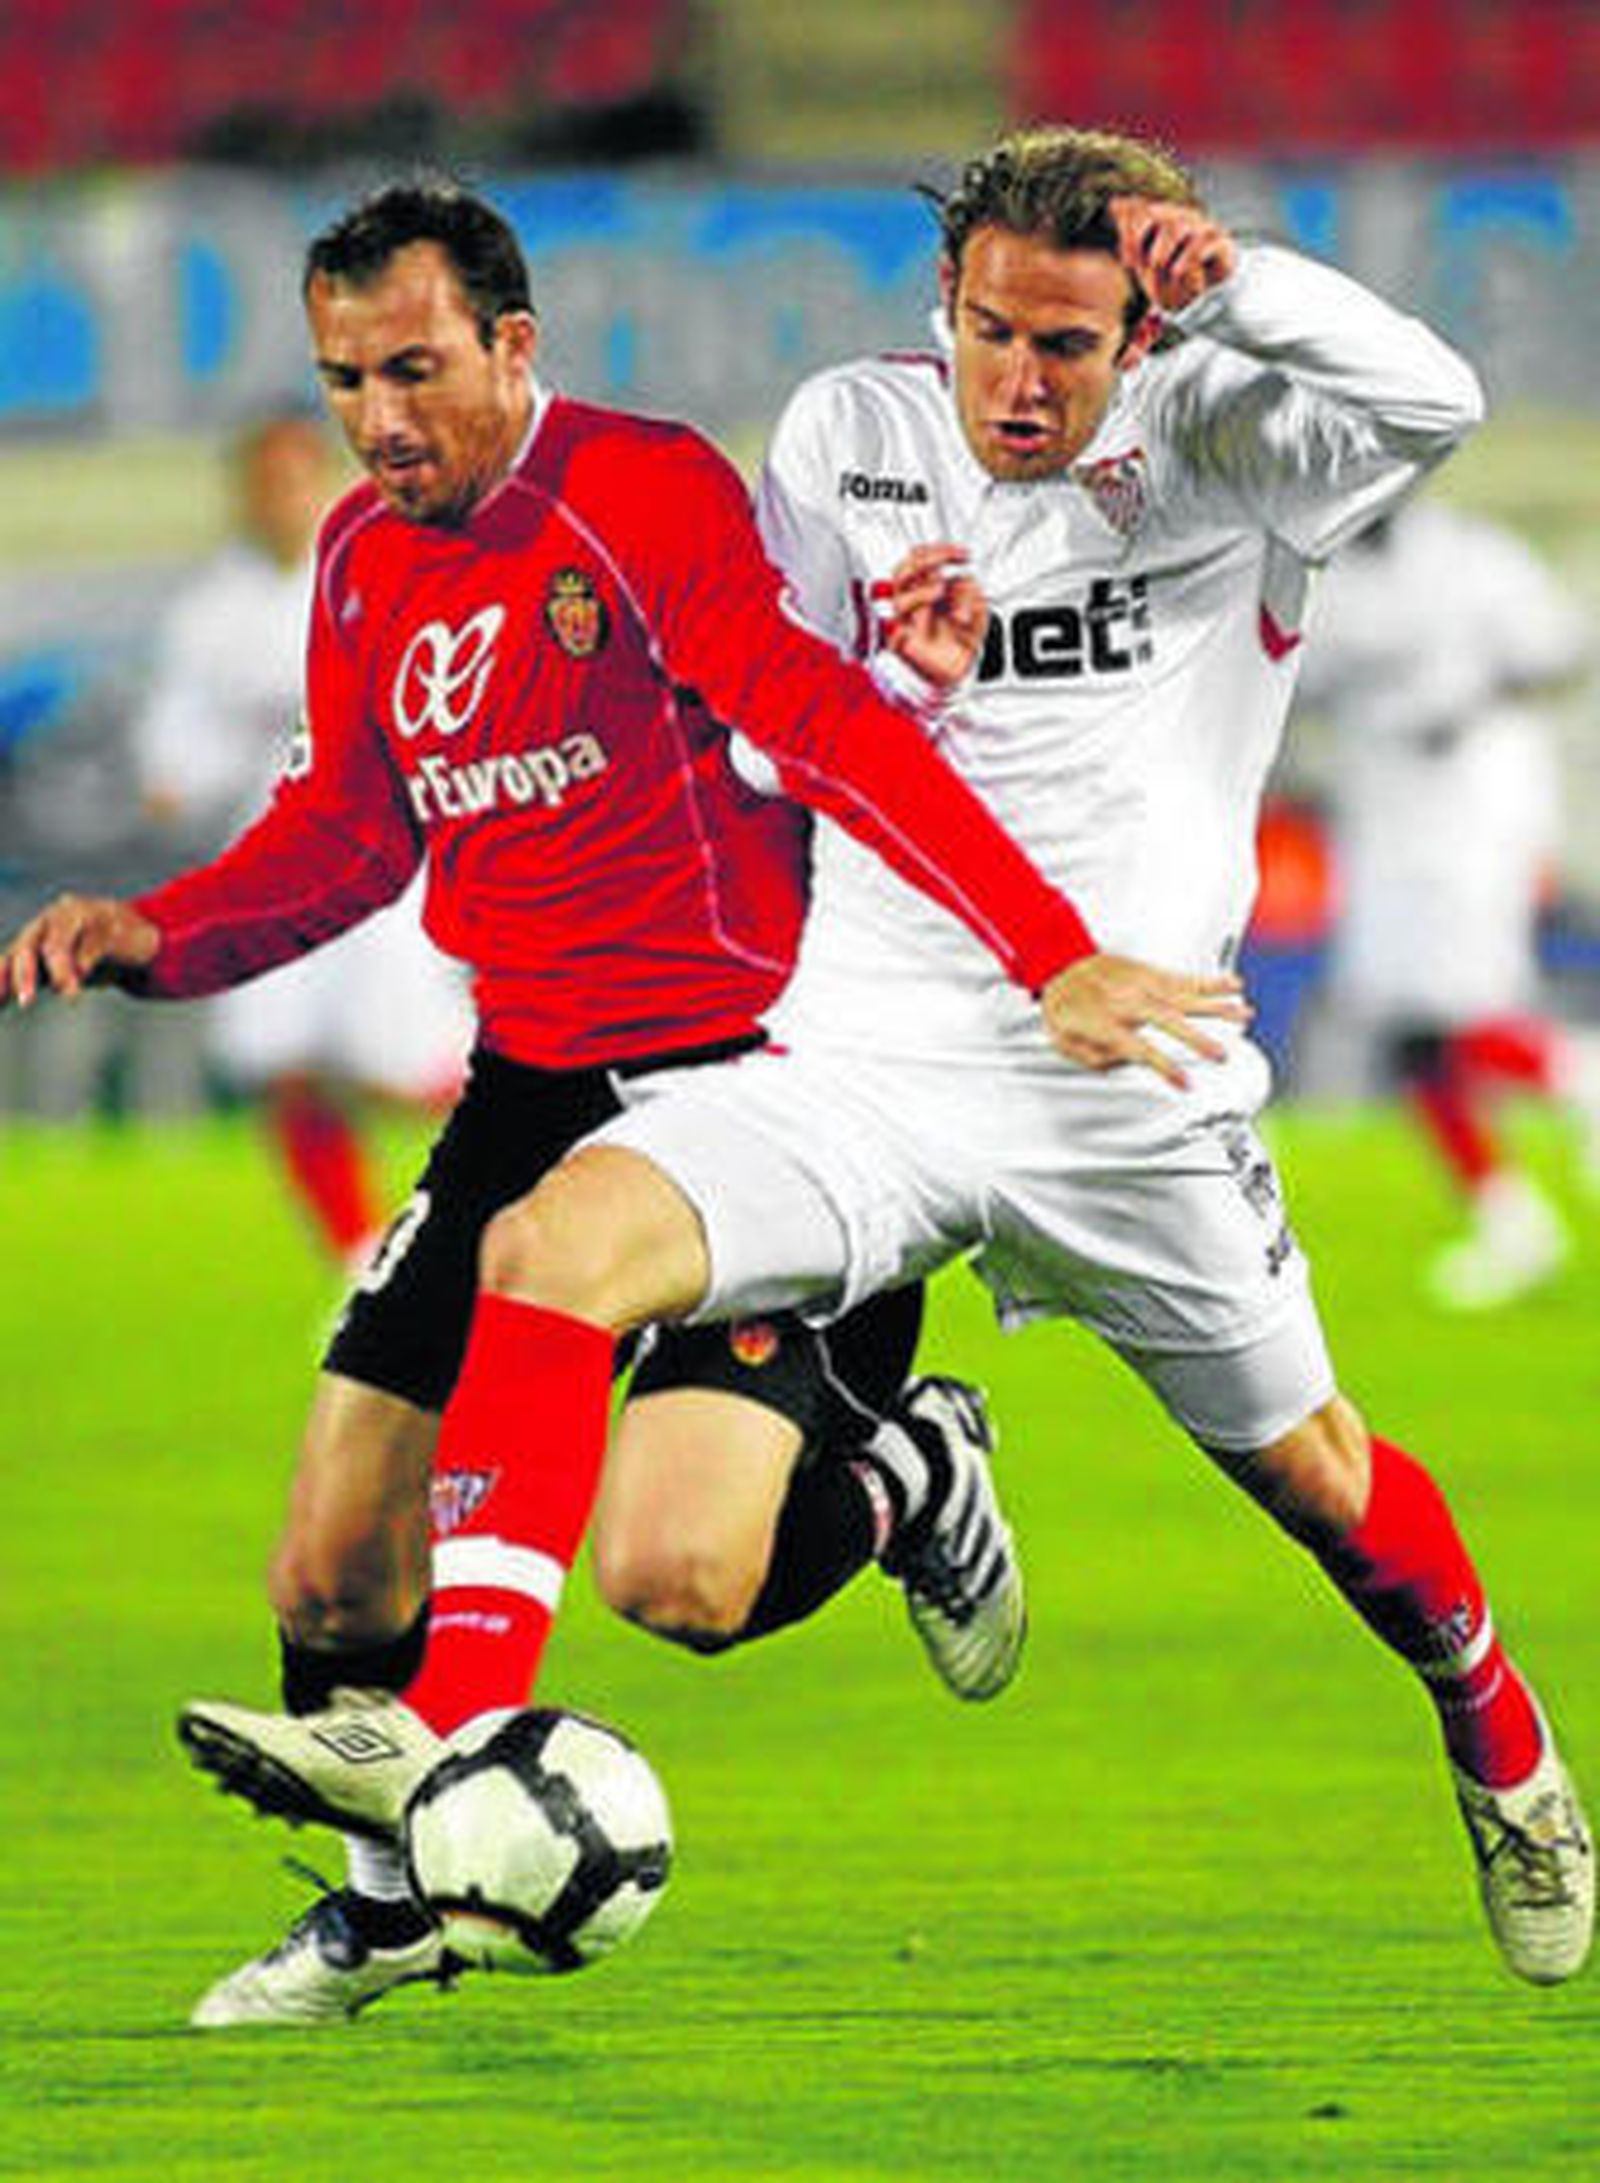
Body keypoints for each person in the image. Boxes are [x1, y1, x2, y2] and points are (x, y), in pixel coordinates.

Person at [163, 128, 1593, 1992]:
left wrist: (1237, 281)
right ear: (946, 306)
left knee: (1325, 1482)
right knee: (552, 1252)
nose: (1020, 381)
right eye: (991, 330)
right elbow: (782, 739)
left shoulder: (1247, 443)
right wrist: (906, 681)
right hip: (865, 1060)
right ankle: (446, 1742)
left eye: (1069, 347)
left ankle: (1500, 1739)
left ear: (1142, 334)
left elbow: (1441, 388)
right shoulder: (848, 431)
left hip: (1129, 1091)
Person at [0, 178, 1240, 2027]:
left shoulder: (642, 493)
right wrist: (151, 935)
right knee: (332, 1553)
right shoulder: (359, 560)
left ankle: (909, 1470)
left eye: (414, 369)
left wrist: (1046, 945)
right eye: (346, 379)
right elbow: (348, 831)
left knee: (681, 1579)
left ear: (515, 344)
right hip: (530, 1088)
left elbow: (822, 723)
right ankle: (384, 1906)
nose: (381, 418)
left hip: (762, 1086)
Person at [132, 405, 472, 1267]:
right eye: (262, 479)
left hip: (379, 861)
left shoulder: (382, 574)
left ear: (321, 479)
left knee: (399, 1062)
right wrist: (169, 776)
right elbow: (182, 742)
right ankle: (363, 1257)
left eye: (293, 475)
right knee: (278, 1060)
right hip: (264, 863)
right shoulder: (209, 615)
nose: (278, 494)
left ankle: (562, 1129)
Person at [1294, 494, 1600, 1309]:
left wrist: (1469, 693)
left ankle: (1581, 1081)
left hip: (1475, 810)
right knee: (1405, 1034)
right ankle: (1512, 1218)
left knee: (1457, 1008)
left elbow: (1562, 649)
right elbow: (1302, 685)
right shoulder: (1320, 586)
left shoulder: (1472, 556)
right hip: (1387, 819)